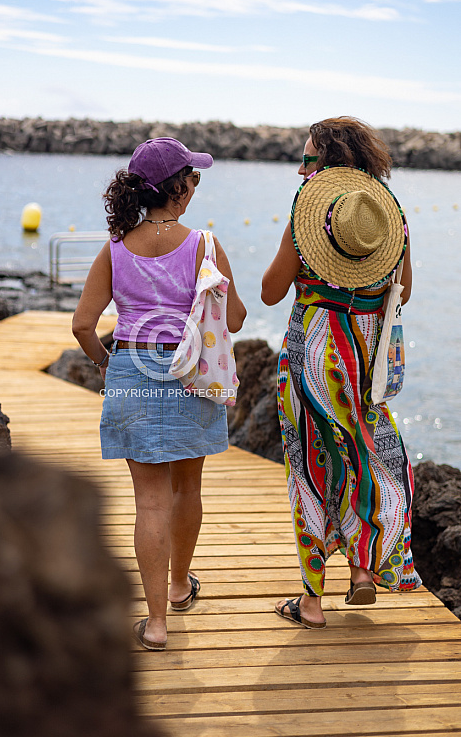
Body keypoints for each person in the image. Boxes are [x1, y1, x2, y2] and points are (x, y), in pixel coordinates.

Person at [72, 138, 246, 650]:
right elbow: (233, 319)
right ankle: (177, 586)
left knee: (148, 502)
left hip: (131, 370)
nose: (195, 187)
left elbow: (83, 325)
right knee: (186, 488)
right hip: (189, 376)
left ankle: (155, 624)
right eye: (192, 179)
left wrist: (110, 366)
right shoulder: (204, 247)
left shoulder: (116, 246)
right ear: (176, 188)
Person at [261, 116, 421, 630]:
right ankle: (362, 572)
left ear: (327, 165)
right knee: (363, 456)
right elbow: (406, 293)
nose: (301, 168)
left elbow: (269, 291)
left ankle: (310, 602)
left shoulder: (309, 220)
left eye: (307, 159)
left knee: (312, 470)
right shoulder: (386, 221)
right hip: (364, 364)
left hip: (312, 359)